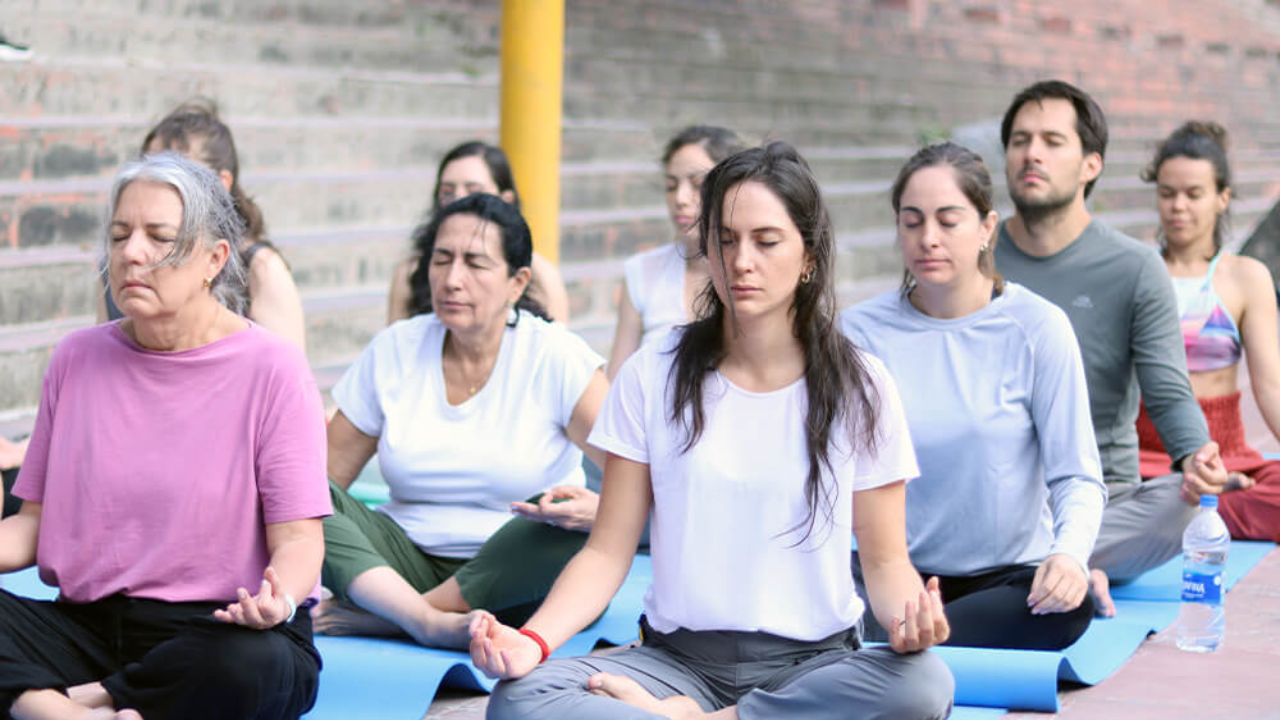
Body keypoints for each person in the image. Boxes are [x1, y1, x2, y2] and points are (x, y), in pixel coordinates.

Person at [469, 142, 954, 720]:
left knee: (922, 685)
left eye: (766, 241)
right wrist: (534, 640)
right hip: (676, 662)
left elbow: (883, 562)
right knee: (520, 700)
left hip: (814, 667)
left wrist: (909, 622)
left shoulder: (862, 384)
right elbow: (605, 551)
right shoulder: (654, 371)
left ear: (809, 257)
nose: (741, 260)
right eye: (725, 240)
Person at [0, 153, 331, 720]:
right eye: (119, 235)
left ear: (213, 259)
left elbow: (299, 539)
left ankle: (73, 700)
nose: (132, 254)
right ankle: (65, 711)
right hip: (87, 627)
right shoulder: (76, 358)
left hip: (219, 629)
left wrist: (279, 599)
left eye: (159, 238)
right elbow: (33, 520)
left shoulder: (273, 369)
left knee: (256, 666)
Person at [844, 142, 1105, 650]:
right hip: (887, 578)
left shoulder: (1038, 328)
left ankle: (905, 645)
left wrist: (1070, 557)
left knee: (1069, 607)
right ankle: (908, 638)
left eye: (949, 221)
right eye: (912, 221)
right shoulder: (857, 333)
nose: (928, 239)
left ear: (987, 227)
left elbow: (1077, 475)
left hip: (1003, 582)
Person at [318, 193, 609, 649]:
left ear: (517, 282)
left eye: (475, 263)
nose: (452, 280)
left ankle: (401, 618)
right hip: (401, 565)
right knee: (297, 489)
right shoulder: (395, 349)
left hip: (518, 574)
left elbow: (645, 475)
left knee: (557, 524)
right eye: (441, 260)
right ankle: (423, 617)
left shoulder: (556, 356)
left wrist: (600, 510)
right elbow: (325, 476)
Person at [992, 80, 1228, 616]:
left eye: (1053, 140)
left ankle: (1029, 568)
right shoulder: (971, 254)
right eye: (1020, 140)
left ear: (1091, 165)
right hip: (992, 495)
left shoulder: (1134, 267)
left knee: (1183, 507)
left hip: (1099, 497)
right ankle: (1062, 571)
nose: (1032, 153)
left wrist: (1195, 455)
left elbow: (1167, 388)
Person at [1136, 121, 1280, 543]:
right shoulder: (1135, 269)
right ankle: (1195, 505)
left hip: (1227, 453)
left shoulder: (1244, 276)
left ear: (1222, 198)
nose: (1178, 206)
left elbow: (1270, 385)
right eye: (1167, 193)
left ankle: (1187, 507)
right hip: (1148, 456)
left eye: (1193, 194)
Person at [97, 100, 307, 352]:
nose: (133, 252)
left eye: (183, 171)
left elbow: (285, 369)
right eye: (153, 167)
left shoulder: (262, 268)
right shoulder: (120, 264)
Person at [607, 126, 746, 377]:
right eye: (671, 186)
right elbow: (616, 379)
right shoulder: (641, 271)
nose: (680, 198)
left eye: (698, 184)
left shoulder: (751, 271)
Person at [386, 141, 570, 324]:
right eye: (447, 192)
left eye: (474, 192)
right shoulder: (411, 272)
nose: (458, 200)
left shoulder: (542, 277)